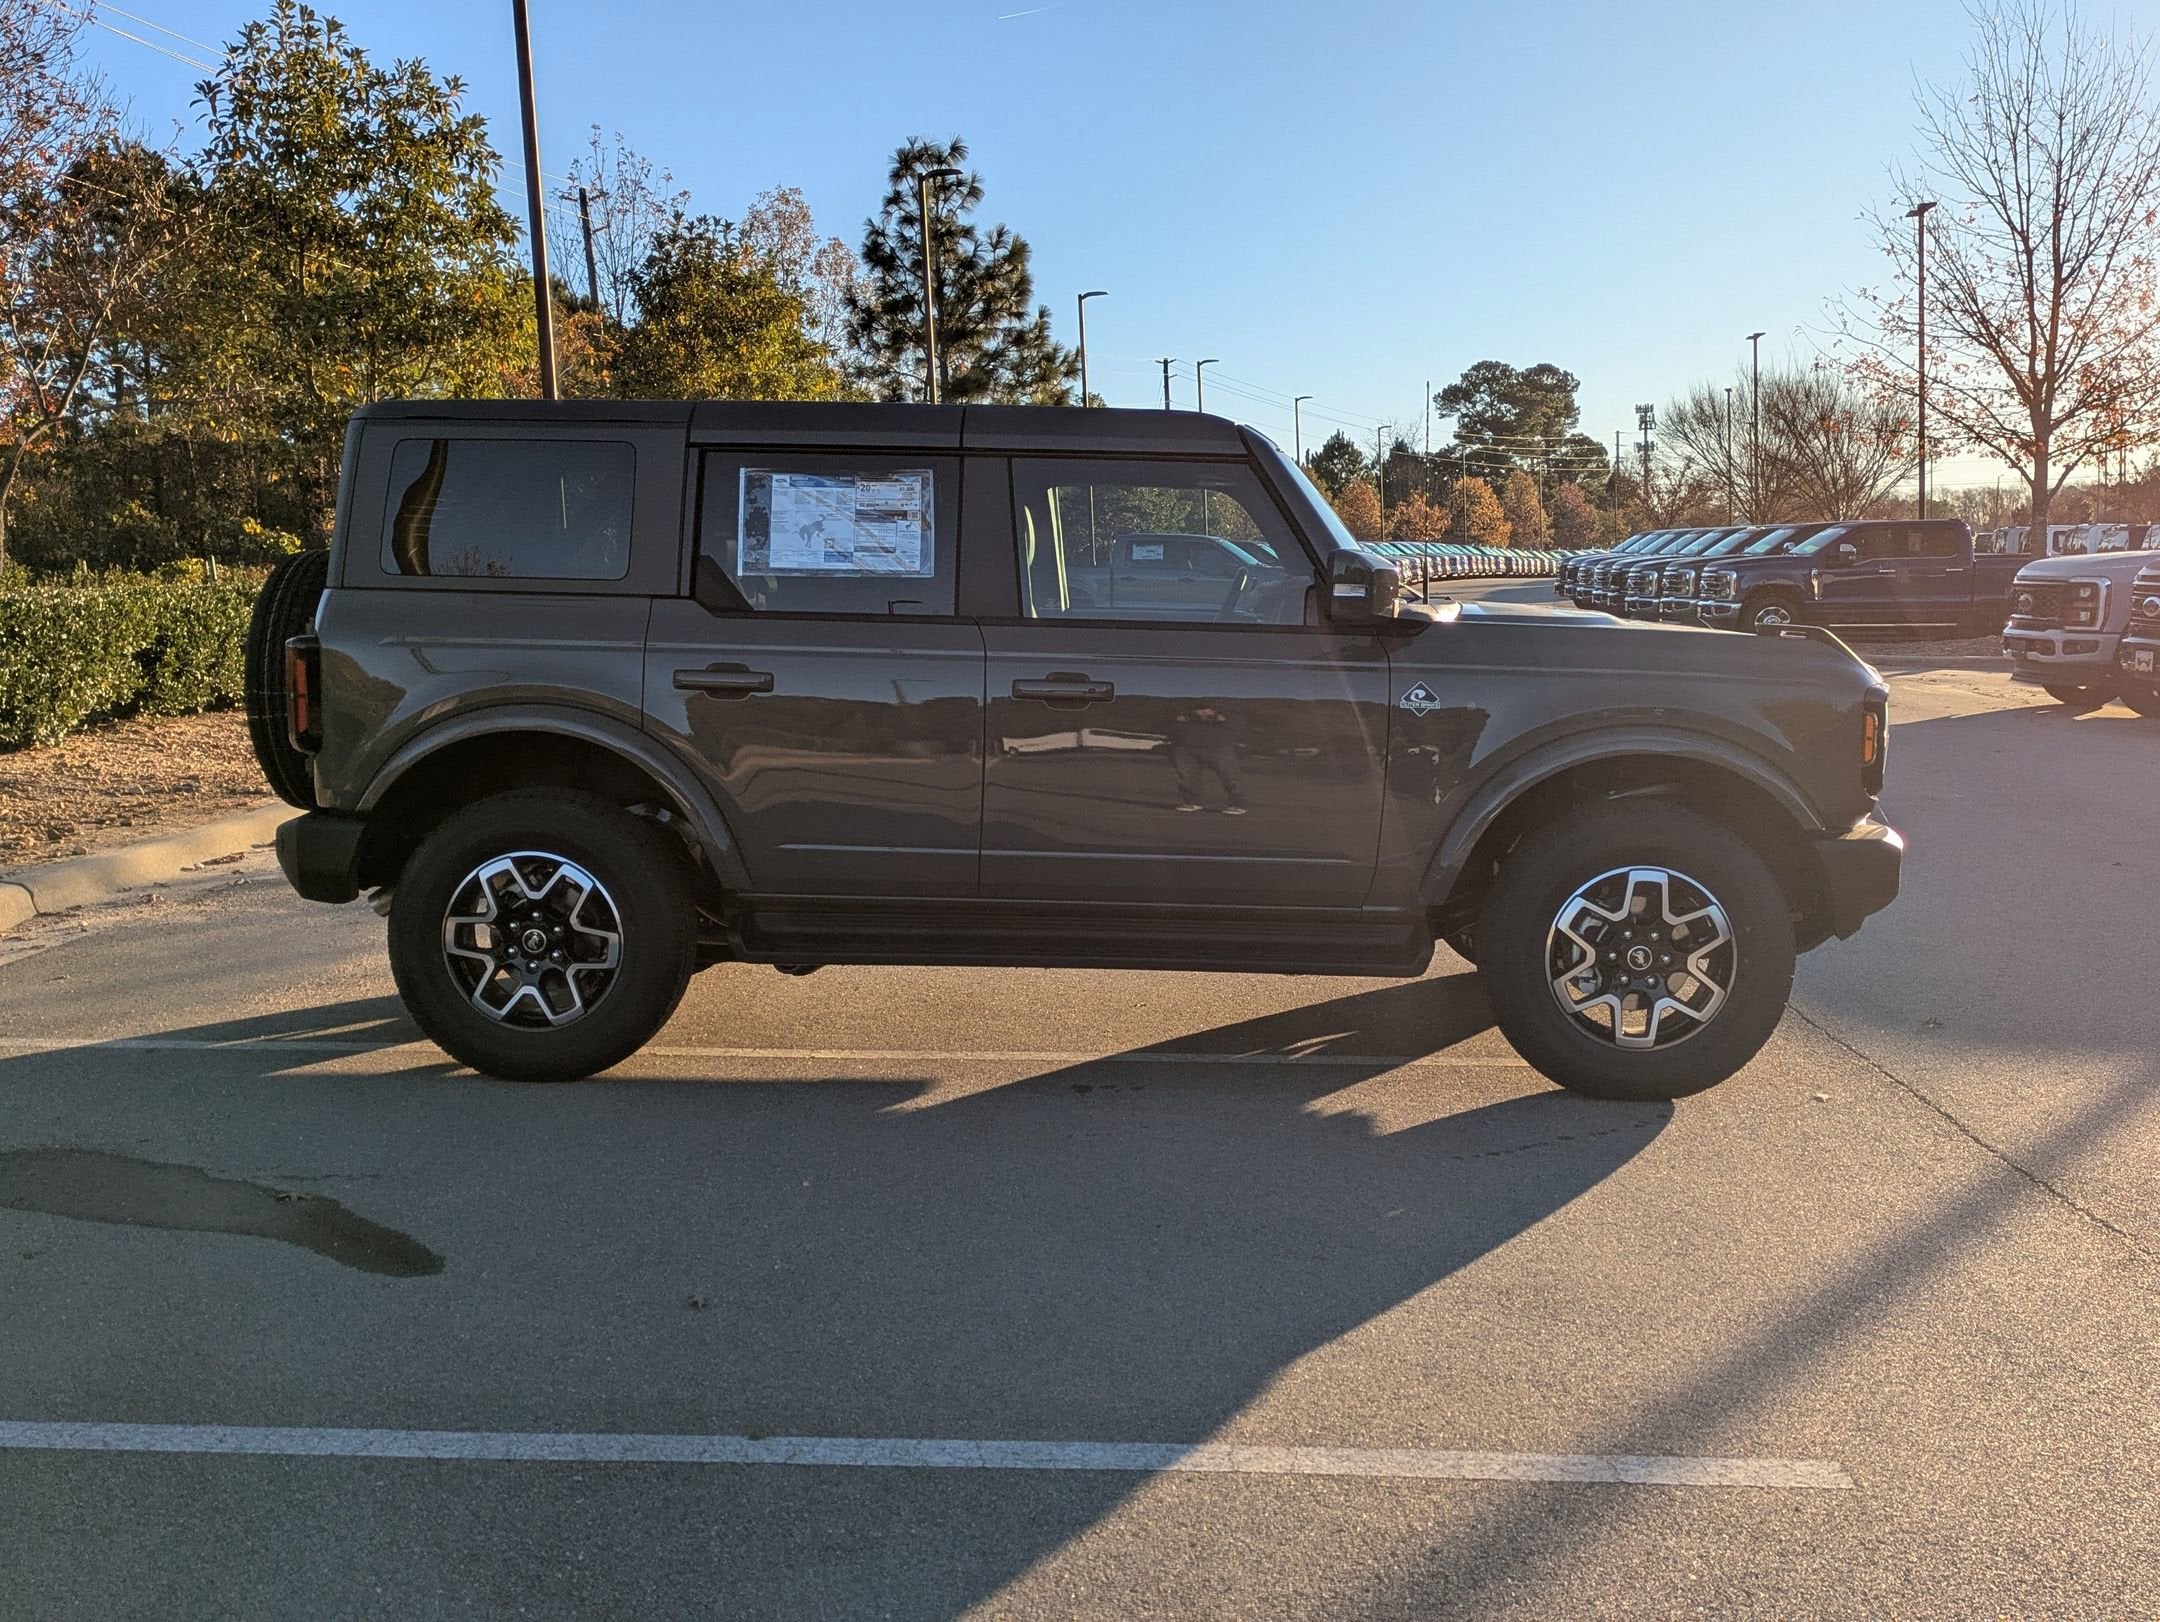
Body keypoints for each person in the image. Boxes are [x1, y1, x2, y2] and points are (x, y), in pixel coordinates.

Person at [1167, 703, 1246, 814]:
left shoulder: (1227, 716)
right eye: (1200, 709)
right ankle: (1192, 802)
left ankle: (1237, 805)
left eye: (1207, 710)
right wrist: (1177, 730)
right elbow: (1168, 728)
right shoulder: (1182, 717)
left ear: (1213, 710)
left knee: (1230, 776)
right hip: (1186, 749)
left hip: (1219, 749)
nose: (1203, 712)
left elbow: (1240, 729)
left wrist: (1224, 721)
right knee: (1187, 777)